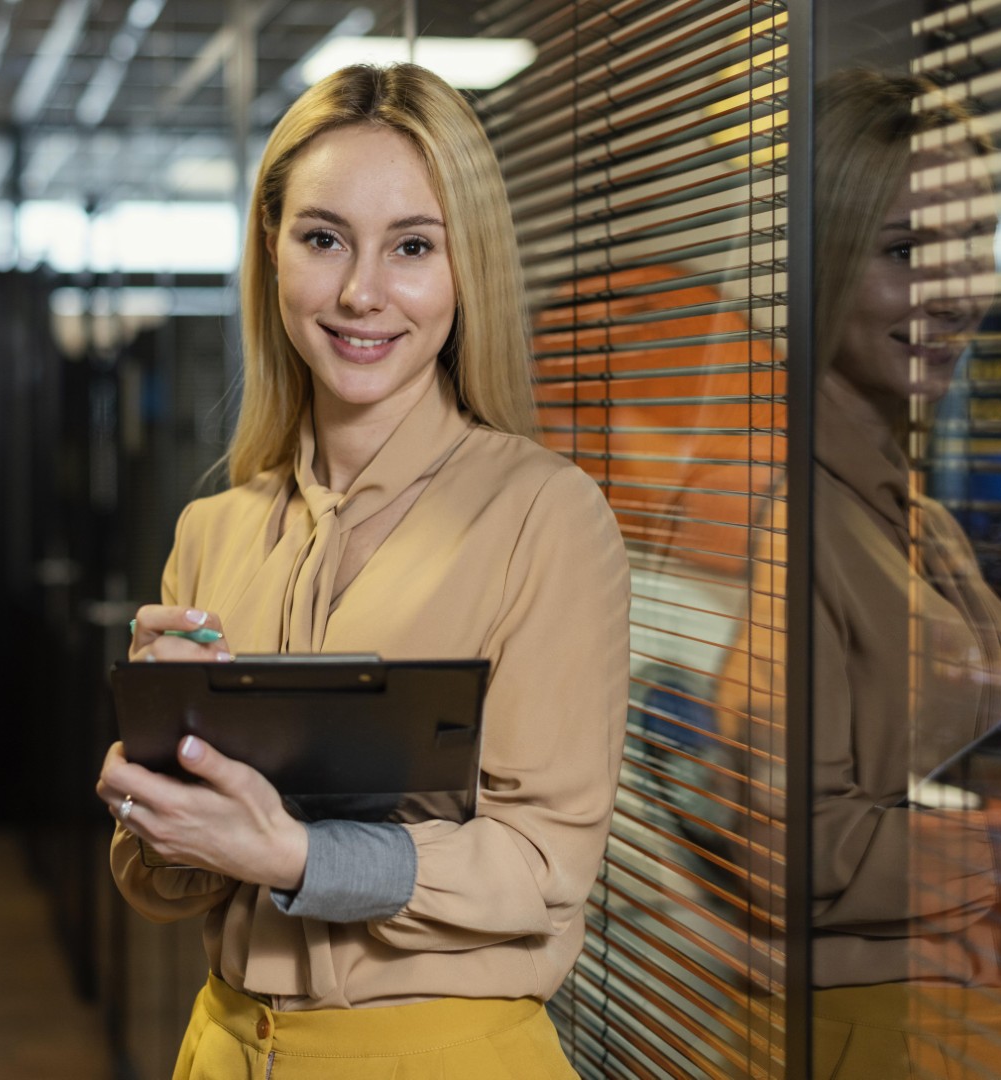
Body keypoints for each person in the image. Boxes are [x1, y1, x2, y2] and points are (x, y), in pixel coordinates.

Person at [95, 63, 630, 1079]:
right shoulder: (212, 532)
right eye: (323, 237)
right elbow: (161, 884)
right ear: (272, 250)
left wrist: (294, 856)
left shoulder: (543, 516)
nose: (359, 292)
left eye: (413, 247)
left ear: (465, 267)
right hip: (223, 1048)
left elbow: (542, 868)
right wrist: (159, 795)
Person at [719, 70, 1001, 1078]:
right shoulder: (791, 522)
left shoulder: (918, 523)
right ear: (815, 262)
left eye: (971, 248)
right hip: (866, 1040)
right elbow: (794, 855)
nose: (955, 291)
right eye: (907, 252)